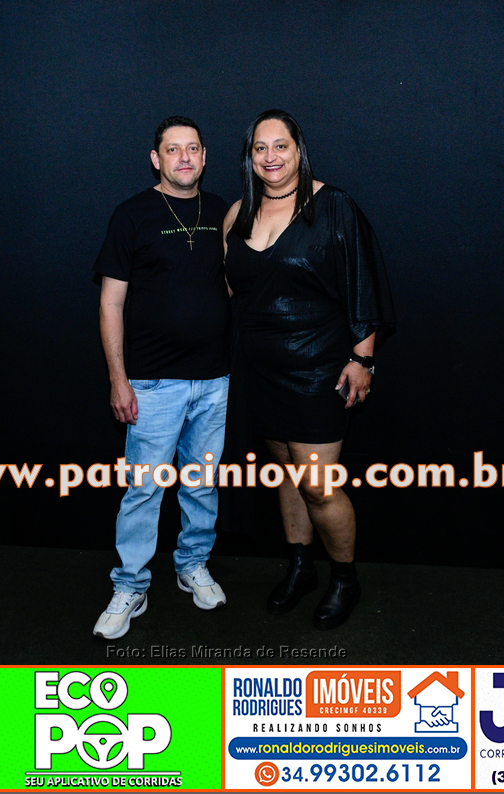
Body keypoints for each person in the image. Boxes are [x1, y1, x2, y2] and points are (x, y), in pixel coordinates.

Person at [223, 109, 395, 630]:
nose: (270, 156)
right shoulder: (238, 214)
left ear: (299, 149)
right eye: (260, 147)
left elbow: (363, 282)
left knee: (318, 485)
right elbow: (233, 288)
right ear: (249, 156)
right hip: (260, 369)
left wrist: (363, 359)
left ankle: (344, 578)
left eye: (281, 145)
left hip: (319, 369)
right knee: (286, 475)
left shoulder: (333, 205)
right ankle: (301, 567)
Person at [92, 116, 231, 639]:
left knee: (202, 483)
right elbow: (111, 302)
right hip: (152, 383)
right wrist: (118, 378)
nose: (184, 158)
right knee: (144, 490)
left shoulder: (221, 211)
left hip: (214, 379)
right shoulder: (132, 214)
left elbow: (232, 282)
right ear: (156, 159)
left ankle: (192, 564)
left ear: (204, 156)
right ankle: (131, 584)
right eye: (173, 150)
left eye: (192, 148)